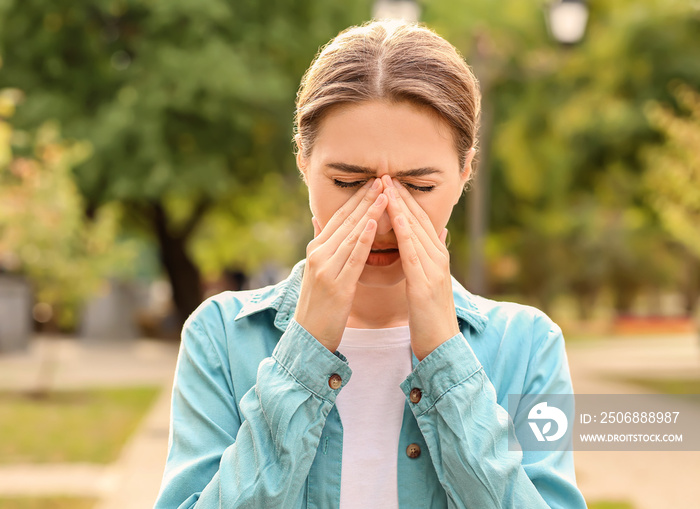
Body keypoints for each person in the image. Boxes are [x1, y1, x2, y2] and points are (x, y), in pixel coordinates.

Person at [154, 20, 587, 509]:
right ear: (303, 161)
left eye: (418, 187)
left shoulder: (528, 346)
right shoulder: (221, 336)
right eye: (347, 181)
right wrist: (304, 356)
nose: (382, 217)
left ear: (465, 172)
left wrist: (446, 361)